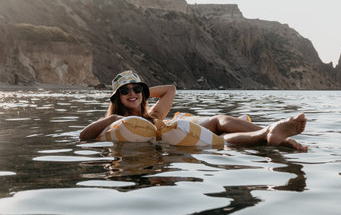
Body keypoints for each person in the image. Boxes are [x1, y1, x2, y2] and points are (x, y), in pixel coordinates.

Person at [79, 70, 308, 151]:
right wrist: (117, 117)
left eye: (136, 88)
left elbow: (170, 89)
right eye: (125, 91)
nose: (132, 93)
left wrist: (145, 92)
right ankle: (269, 134)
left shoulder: (153, 115)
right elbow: (83, 135)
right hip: (172, 138)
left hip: (174, 129)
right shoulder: (115, 122)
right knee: (220, 139)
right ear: (116, 98)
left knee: (219, 121)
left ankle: (271, 132)